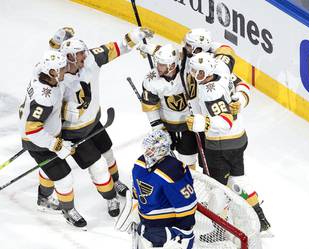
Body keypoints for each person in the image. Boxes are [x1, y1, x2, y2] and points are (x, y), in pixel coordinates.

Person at [58, 27, 154, 216]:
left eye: (83, 52)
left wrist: (136, 36)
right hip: (73, 132)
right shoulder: (57, 78)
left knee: (108, 155)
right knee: (99, 168)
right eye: (78, 55)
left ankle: (116, 181)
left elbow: (116, 47)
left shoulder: (90, 59)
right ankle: (110, 198)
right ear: (68, 57)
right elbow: (46, 111)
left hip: (94, 122)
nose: (84, 57)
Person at [185, 52, 271, 232]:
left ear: (208, 70)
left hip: (220, 145)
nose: (195, 76)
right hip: (239, 138)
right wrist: (240, 101)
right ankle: (260, 218)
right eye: (193, 71)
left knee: (216, 189)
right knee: (239, 180)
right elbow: (243, 86)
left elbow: (224, 122)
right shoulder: (223, 69)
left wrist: (203, 122)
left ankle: (220, 230)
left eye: (199, 73)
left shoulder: (211, 92)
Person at [18, 50, 86, 228]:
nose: (66, 70)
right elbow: (32, 130)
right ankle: (68, 209)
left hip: (43, 134)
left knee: (50, 171)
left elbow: (61, 92)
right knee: (64, 178)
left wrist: (66, 107)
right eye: (62, 68)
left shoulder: (41, 71)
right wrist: (56, 144)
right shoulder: (43, 98)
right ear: (53, 73)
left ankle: (44, 198)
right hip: (37, 143)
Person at [115, 129, 197, 249]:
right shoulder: (141, 163)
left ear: (162, 149)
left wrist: (185, 230)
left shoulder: (170, 170)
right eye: (147, 148)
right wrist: (186, 228)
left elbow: (186, 205)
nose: (148, 152)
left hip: (159, 225)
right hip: (152, 224)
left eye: (152, 149)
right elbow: (137, 191)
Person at [140, 44, 199, 170]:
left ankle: (191, 182)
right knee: (165, 160)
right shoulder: (151, 80)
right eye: (158, 63)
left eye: (162, 65)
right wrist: (159, 129)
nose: (158, 67)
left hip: (188, 124)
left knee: (188, 159)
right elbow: (150, 107)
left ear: (172, 66)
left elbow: (185, 53)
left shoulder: (186, 69)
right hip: (166, 126)